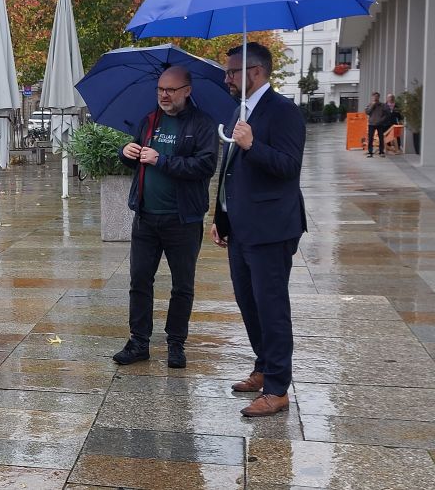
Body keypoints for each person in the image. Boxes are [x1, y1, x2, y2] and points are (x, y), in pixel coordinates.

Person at [211, 42, 307, 417]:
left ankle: (279, 388)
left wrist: (253, 146)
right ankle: (264, 366)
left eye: (232, 71)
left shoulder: (284, 112)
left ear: (255, 72)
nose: (227, 78)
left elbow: (288, 167)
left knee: (271, 308)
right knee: (248, 302)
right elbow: (231, 172)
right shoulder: (241, 111)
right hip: (241, 228)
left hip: (271, 230)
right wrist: (221, 218)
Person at [112, 65, 218, 369]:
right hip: (146, 216)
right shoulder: (149, 121)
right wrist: (126, 153)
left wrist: (162, 160)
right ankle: (139, 342)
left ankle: (175, 344)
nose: (164, 95)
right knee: (139, 281)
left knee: (182, 285)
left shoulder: (202, 124)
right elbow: (138, 161)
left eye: (171, 90)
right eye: (160, 89)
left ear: (187, 91)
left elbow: (204, 167)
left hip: (183, 219)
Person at [365, 92, 385, 157]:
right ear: (372, 97)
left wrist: (382, 120)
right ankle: (370, 151)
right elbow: (367, 112)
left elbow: (386, 114)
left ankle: (381, 151)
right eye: (374, 96)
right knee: (370, 138)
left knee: (381, 138)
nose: (375, 98)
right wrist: (372, 105)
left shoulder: (382, 105)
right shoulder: (369, 104)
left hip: (380, 124)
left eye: (376, 96)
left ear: (379, 97)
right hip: (371, 123)